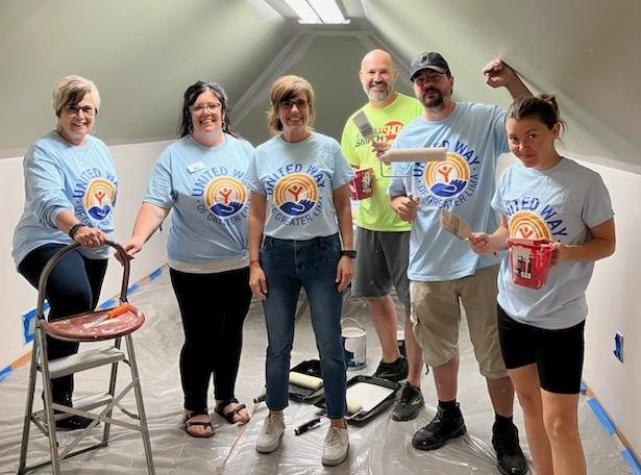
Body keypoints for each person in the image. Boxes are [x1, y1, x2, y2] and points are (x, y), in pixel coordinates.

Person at [388, 52, 531, 475]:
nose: (428, 84)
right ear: (415, 89)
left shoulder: (481, 118)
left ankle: (505, 431)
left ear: (450, 81)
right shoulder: (408, 136)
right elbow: (396, 191)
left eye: (435, 76)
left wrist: (510, 81)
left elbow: (527, 121)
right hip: (428, 264)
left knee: (494, 355)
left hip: (480, 261)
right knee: (440, 351)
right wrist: (401, 205)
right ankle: (449, 414)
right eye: (420, 79)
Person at [469, 95, 616, 475]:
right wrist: (491, 241)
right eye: (514, 139)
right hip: (512, 310)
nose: (522, 147)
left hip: (559, 320)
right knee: (529, 406)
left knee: (561, 425)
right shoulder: (511, 175)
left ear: (555, 131)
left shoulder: (585, 183)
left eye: (532, 135)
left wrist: (565, 254)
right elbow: (508, 229)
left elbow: (606, 243)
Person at [121, 81, 253, 438]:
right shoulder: (175, 155)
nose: (206, 112)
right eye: (198, 107)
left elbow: (261, 203)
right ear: (189, 114)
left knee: (231, 335)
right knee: (201, 337)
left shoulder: (244, 151)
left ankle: (225, 397)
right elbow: (156, 203)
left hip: (239, 263)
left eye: (213, 105)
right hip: (192, 267)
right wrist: (138, 236)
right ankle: (194, 405)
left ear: (224, 111)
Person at [247, 75, 354, 466]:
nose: (294, 111)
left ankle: (338, 424)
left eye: (301, 104)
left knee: (330, 343)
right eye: (286, 104)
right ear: (276, 111)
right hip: (276, 256)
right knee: (278, 345)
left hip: (323, 253)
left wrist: (348, 253)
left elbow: (344, 206)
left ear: (309, 107)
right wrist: (254, 262)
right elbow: (256, 213)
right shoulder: (262, 154)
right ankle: (274, 416)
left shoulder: (327, 148)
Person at [12, 75, 117, 430]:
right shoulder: (43, 150)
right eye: (72, 108)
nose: (80, 116)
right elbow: (48, 199)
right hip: (45, 240)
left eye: (87, 109)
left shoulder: (99, 148)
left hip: (89, 244)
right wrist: (74, 228)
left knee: (76, 317)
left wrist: (112, 245)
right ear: (59, 111)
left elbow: (103, 203)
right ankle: (58, 403)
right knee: (74, 295)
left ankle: (62, 395)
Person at [340, 49, 426, 421]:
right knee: (375, 295)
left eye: (384, 72)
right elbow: (351, 171)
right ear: (361, 77)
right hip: (371, 222)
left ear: (396, 76)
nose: (377, 78)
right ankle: (391, 360)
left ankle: (413, 379)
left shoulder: (416, 112)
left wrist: (399, 158)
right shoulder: (355, 122)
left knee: (413, 303)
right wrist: (357, 185)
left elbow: (431, 163)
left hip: (410, 224)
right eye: (371, 72)